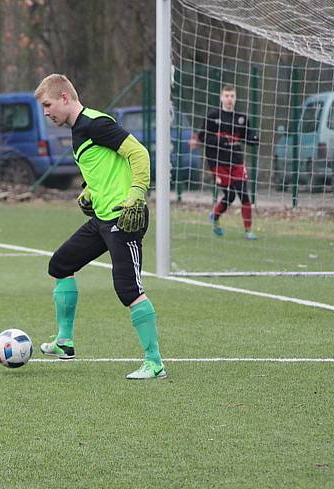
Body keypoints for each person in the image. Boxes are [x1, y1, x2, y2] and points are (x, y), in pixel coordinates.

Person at [33, 73, 166, 380]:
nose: (46, 112)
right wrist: (89, 191)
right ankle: (64, 342)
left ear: (65, 98)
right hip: (102, 219)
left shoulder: (96, 123)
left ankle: (154, 362)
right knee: (61, 264)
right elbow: (105, 168)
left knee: (128, 289)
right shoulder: (79, 129)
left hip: (123, 217)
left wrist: (136, 194)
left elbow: (138, 153)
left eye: (48, 104)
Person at [193, 84, 259, 239]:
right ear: (221, 98)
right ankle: (215, 217)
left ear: (235, 99)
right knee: (229, 196)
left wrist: (254, 140)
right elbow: (202, 137)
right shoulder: (213, 116)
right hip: (217, 162)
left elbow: (247, 137)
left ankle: (248, 231)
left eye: (232, 96)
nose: (229, 99)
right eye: (227, 96)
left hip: (236, 161)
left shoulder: (241, 118)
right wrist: (220, 139)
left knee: (244, 195)